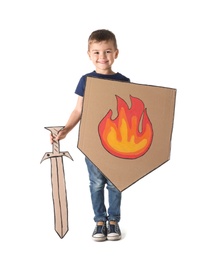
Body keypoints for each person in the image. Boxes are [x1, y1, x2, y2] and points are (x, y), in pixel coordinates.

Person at [51, 29, 130, 241]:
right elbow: (79, 110)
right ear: (89, 54)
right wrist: (65, 130)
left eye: (107, 51)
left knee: (115, 182)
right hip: (92, 142)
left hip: (117, 143)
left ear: (116, 53)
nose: (102, 57)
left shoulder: (124, 81)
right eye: (96, 52)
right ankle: (99, 221)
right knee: (96, 183)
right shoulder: (86, 80)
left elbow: (129, 114)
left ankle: (113, 221)